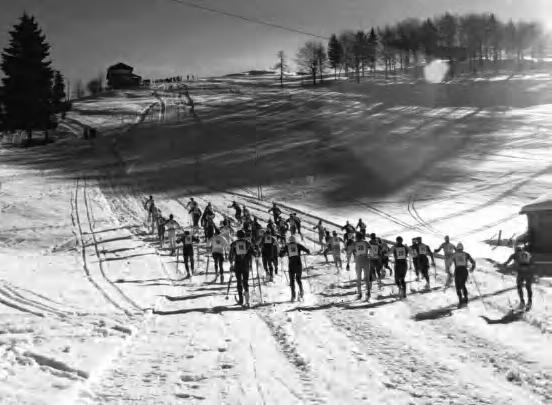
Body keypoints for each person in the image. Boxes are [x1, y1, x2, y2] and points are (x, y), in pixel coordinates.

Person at [229, 230, 256, 307]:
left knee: (239, 282)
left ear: (237, 236)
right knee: (245, 282)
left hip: (237, 265)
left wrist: (231, 264)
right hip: (246, 265)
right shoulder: (248, 243)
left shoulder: (234, 244)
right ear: (244, 235)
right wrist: (256, 252)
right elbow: (254, 253)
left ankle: (241, 300)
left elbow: (231, 256)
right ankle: (247, 300)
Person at [279, 235, 310, 302]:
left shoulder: (287, 246)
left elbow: (281, 254)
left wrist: (281, 251)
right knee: (298, 279)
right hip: (298, 265)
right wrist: (308, 251)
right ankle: (301, 292)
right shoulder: (298, 245)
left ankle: (293, 296)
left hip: (291, 265)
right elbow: (306, 250)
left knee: (292, 281)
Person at [503, 246, 534, 310]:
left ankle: (522, 302)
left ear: (516, 250)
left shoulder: (515, 254)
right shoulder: (528, 254)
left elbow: (507, 262)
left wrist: (504, 265)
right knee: (528, 287)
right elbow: (532, 262)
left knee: (519, 286)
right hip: (528, 272)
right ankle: (529, 302)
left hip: (521, 272)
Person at [452, 243, 476, 308]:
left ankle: (460, 300)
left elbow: (450, 262)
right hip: (464, 271)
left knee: (458, 286)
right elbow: (473, 262)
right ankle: (465, 299)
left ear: (457, 248)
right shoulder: (466, 254)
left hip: (458, 271)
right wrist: (472, 268)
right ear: (462, 248)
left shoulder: (454, 254)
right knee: (463, 285)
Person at [353, 232, 371, 301]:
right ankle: (368, 291)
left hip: (358, 260)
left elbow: (351, 250)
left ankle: (359, 293)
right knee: (366, 277)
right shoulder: (366, 242)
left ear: (357, 237)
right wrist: (368, 254)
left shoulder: (355, 243)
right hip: (366, 259)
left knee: (358, 277)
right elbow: (371, 249)